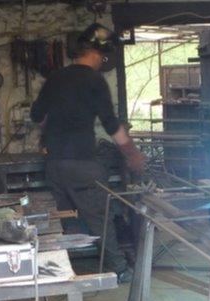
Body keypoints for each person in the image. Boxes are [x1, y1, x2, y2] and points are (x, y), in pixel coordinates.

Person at [31, 23, 146, 283]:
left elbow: (37, 116)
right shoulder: (95, 81)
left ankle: (59, 273)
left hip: (54, 165)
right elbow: (111, 125)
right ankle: (119, 269)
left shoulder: (55, 78)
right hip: (82, 164)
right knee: (100, 217)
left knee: (63, 221)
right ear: (99, 54)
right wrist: (132, 154)